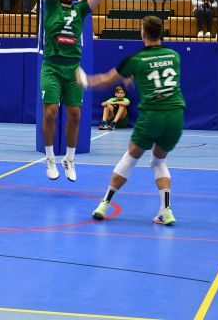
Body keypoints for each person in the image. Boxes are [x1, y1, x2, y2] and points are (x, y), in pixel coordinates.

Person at [79, 15, 185, 225]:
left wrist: (85, 81)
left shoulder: (136, 59)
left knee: (131, 157)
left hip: (152, 115)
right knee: (158, 161)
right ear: (161, 33)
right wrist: (138, 76)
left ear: (143, 34)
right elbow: (158, 73)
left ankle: (104, 204)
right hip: (176, 115)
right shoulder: (174, 56)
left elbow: (105, 80)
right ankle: (166, 210)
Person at [40, 0, 109, 181]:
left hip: (72, 69)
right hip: (52, 66)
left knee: (75, 115)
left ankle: (69, 159)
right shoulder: (51, 6)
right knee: (50, 113)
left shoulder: (80, 10)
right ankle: (50, 158)